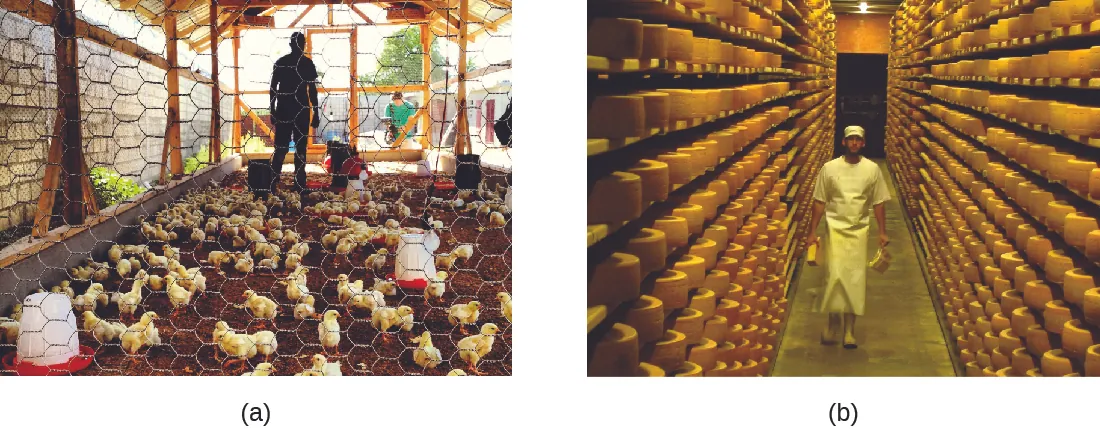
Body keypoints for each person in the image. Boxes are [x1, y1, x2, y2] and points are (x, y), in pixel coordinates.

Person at [804, 125, 891, 349]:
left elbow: (878, 202)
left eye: (858, 140)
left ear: (863, 144)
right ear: (843, 142)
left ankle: (849, 331)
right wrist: (812, 231)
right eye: (850, 139)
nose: (854, 143)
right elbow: (819, 201)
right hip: (834, 229)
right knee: (833, 278)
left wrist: (882, 231)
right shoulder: (830, 168)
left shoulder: (872, 170)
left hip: (859, 231)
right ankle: (832, 325)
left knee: (854, 280)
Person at [269, 32, 319, 193]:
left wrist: (272, 109)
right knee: (292, 147)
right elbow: (311, 90)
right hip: (297, 110)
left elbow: (273, 89)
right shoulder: (305, 63)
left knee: (288, 147)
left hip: (290, 109)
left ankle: (279, 179)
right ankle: (292, 180)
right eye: (300, 43)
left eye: (301, 43)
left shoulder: (283, 62)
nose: (301, 46)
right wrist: (315, 111)